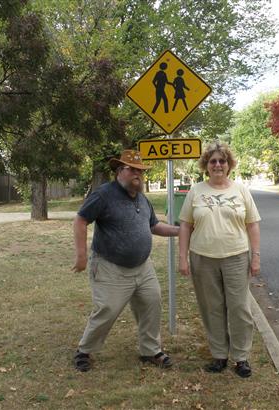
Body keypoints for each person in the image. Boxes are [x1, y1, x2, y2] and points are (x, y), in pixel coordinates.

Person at [72, 149, 180, 372]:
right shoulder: (103, 195)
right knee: (108, 309)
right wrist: (81, 255)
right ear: (119, 171)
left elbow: (154, 226)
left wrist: (181, 231)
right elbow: (81, 220)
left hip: (143, 267)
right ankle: (85, 351)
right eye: (133, 169)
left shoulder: (142, 198)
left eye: (141, 170)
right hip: (110, 266)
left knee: (151, 302)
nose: (138, 174)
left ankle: (150, 350)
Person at [178, 141, 261, 378]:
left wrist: (255, 257)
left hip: (236, 257)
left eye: (222, 161)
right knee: (211, 308)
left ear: (229, 165)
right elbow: (185, 225)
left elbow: (253, 224)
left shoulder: (241, 190)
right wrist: (182, 258)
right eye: (213, 161)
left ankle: (241, 357)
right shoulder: (196, 191)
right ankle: (219, 355)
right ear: (206, 165)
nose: (217, 165)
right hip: (203, 259)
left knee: (239, 308)